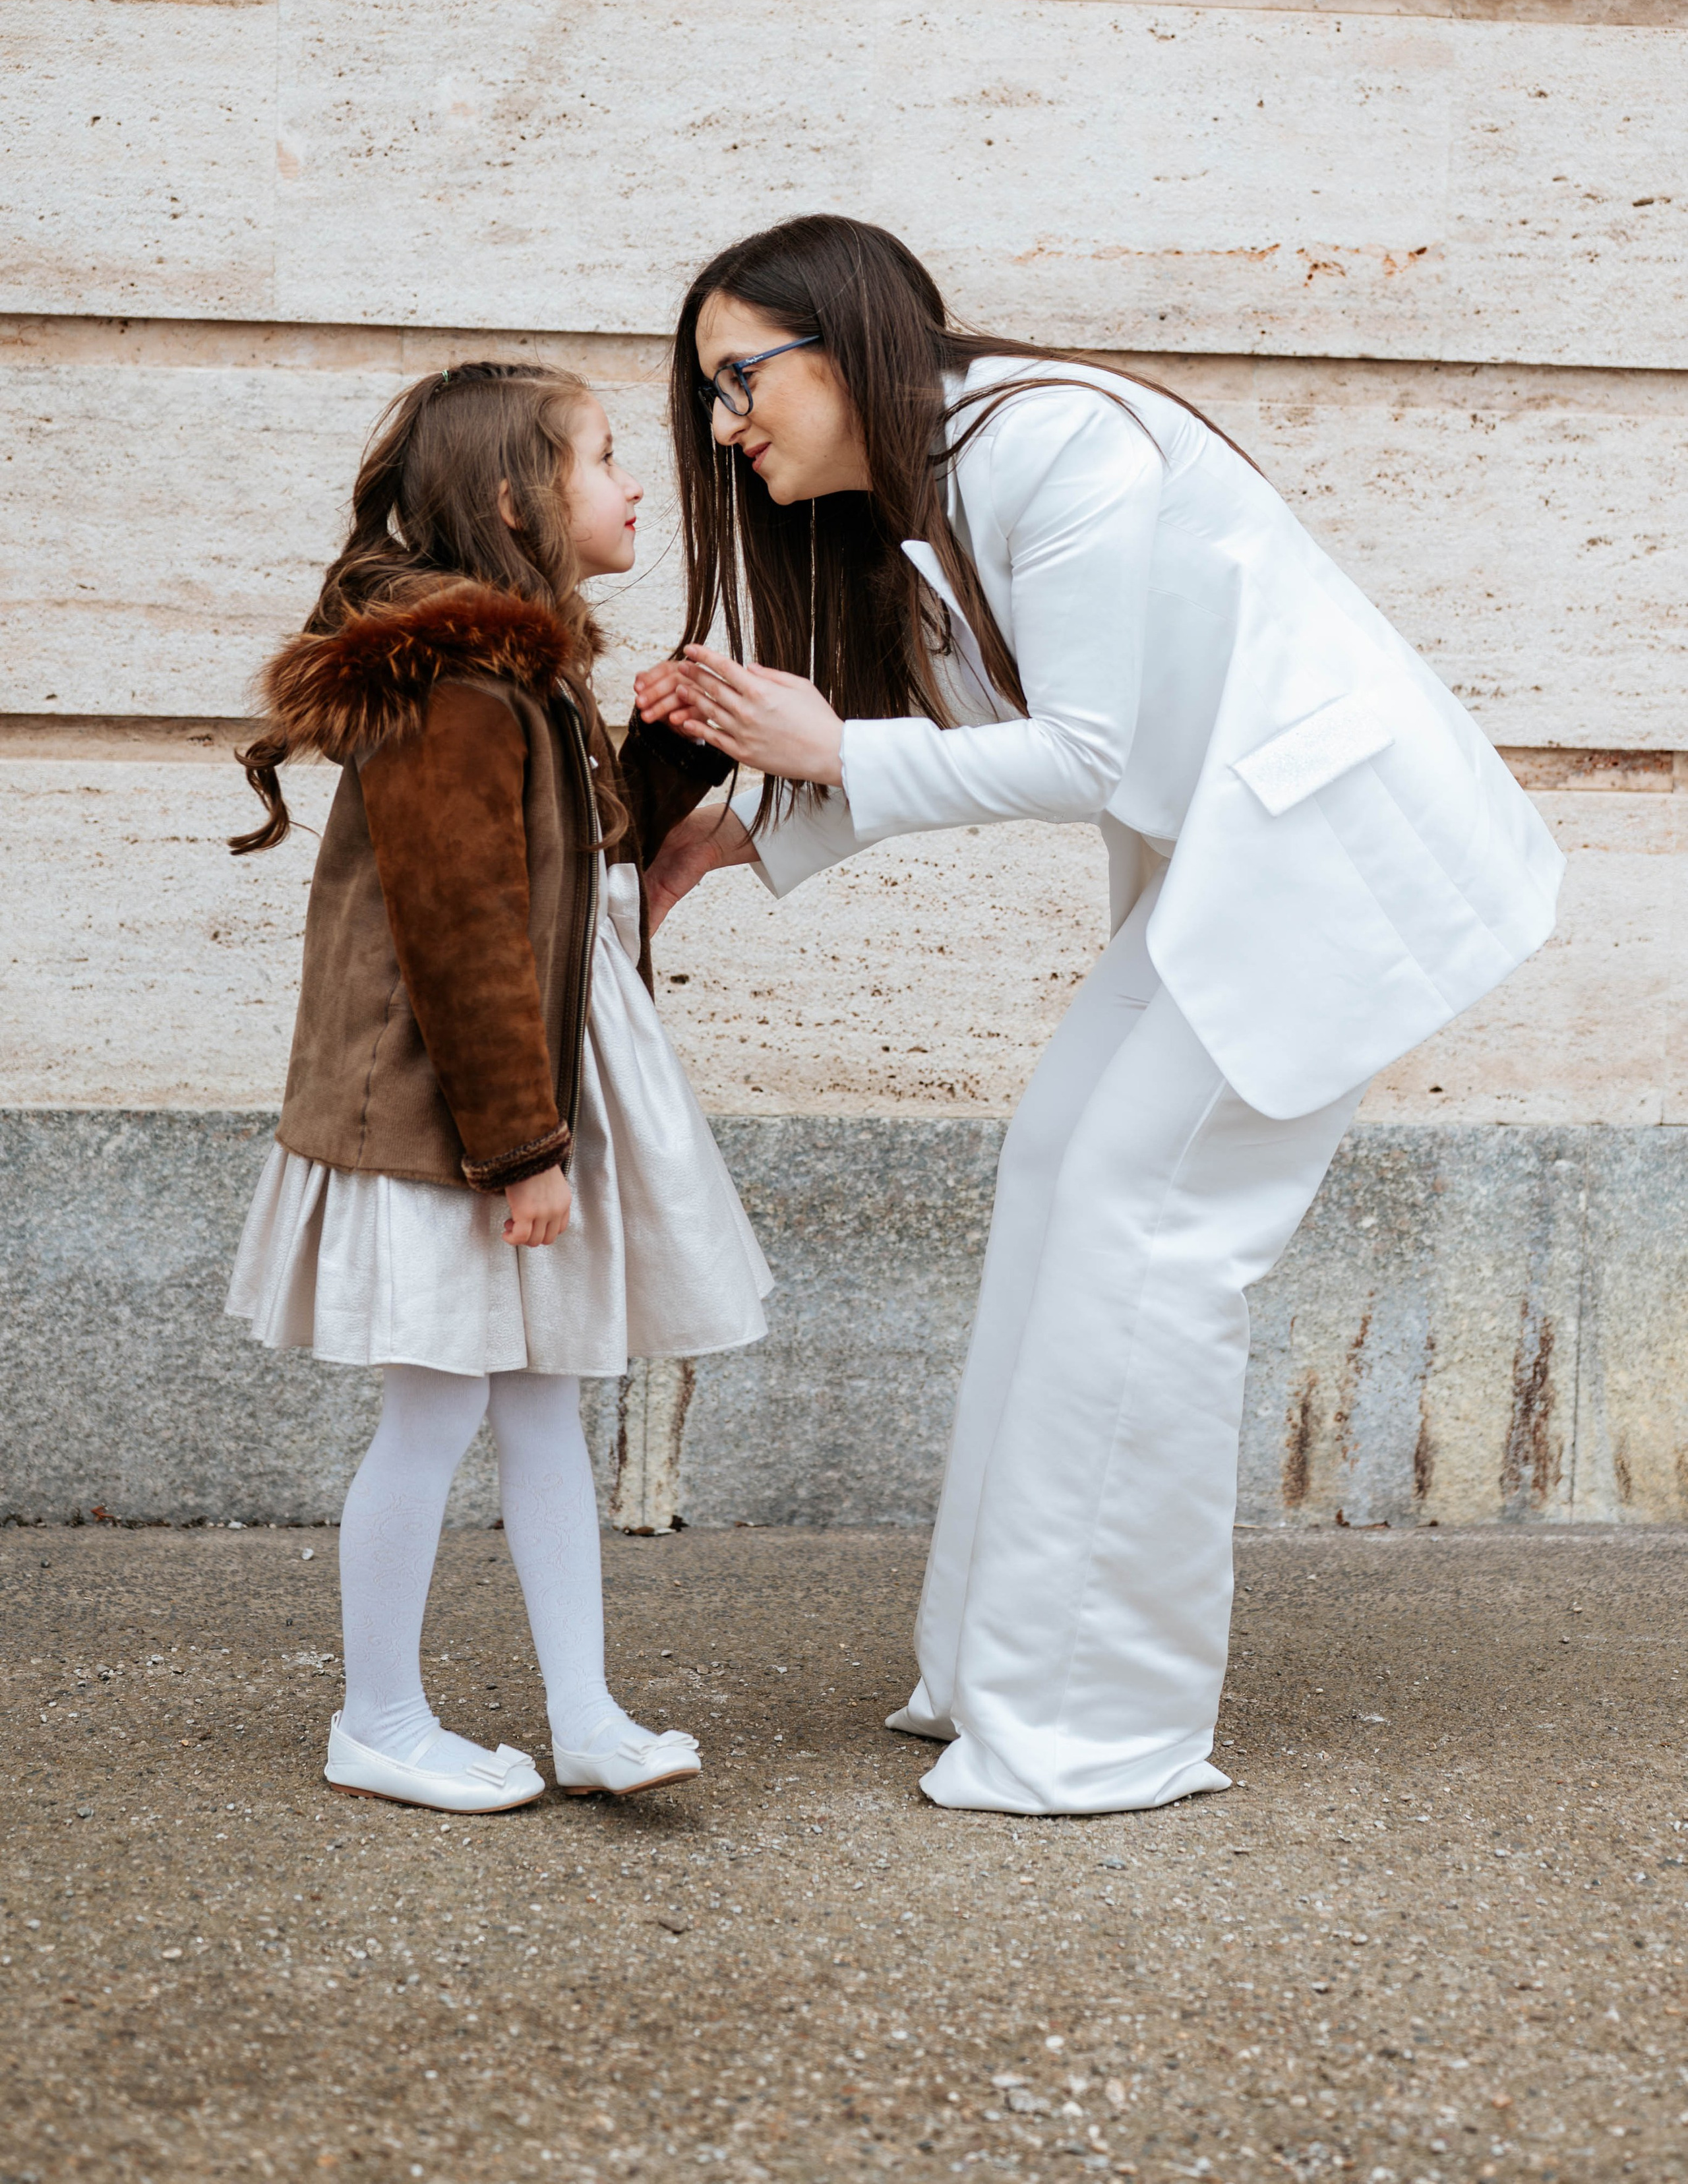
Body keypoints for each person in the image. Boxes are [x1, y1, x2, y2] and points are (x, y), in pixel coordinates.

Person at [634, 214, 1563, 1819]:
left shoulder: (1052, 443)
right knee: (1062, 1174)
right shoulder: (941, 492)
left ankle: (1094, 1730)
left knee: (1145, 1232)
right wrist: (737, 826)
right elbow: (961, 722)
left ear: (845, 338)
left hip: (1326, 861)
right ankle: (998, 1674)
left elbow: (1078, 753)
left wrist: (822, 749)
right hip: (1231, 865)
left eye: (739, 379)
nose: (724, 424)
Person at [225, 362, 771, 1814]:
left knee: (540, 1404)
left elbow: (564, 879)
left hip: (511, 1101)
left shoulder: (518, 674)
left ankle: (584, 1715)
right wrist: (520, 1147)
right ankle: (379, 1719)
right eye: (605, 457)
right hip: (453, 1115)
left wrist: (651, 757)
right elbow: (460, 927)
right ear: (520, 498)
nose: (637, 482)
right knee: (435, 1411)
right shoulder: (452, 684)